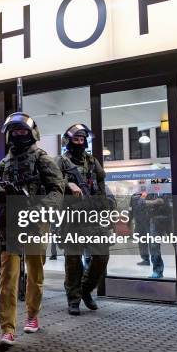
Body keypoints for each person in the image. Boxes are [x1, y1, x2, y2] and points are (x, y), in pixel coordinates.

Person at [0, 112, 64, 351]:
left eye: (23, 131)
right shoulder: (4, 162)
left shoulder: (42, 159)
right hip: (10, 226)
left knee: (35, 275)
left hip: (36, 225)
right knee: (7, 278)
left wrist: (38, 207)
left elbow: (57, 191)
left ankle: (32, 314)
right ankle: (8, 330)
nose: (19, 135)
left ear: (32, 134)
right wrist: (0, 193)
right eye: (15, 132)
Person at [54, 123, 110, 316]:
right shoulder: (60, 162)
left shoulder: (92, 161)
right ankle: (74, 299)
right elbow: (49, 182)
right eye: (76, 139)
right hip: (71, 218)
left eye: (82, 139)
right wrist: (67, 183)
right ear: (68, 142)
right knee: (73, 260)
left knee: (102, 256)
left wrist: (106, 209)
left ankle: (86, 289)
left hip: (93, 216)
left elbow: (101, 185)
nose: (80, 142)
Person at [131, 191, 151, 266]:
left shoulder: (149, 193)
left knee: (152, 242)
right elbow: (131, 209)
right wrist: (129, 219)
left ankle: (149, 260)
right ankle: (145, 260)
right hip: (139, 222)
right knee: (142, 241)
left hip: (148, 221)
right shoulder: (134, 195)